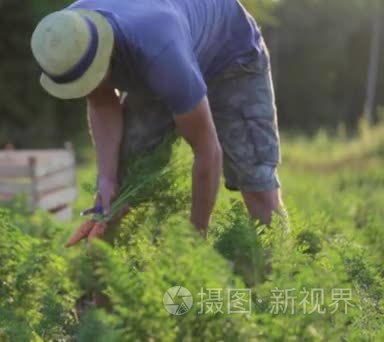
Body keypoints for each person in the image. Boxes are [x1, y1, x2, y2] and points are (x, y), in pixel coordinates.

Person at [30, 0, 284, 235]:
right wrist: (106, 178)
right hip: (165, 53)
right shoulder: (65, 38)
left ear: (104, 51)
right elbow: (102, 102)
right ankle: (105, 272)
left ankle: (280, 268)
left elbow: (208, 151)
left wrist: (195, 237)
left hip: (231, 59)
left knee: (256, 181)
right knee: (124, 176)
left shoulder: (160, 53)